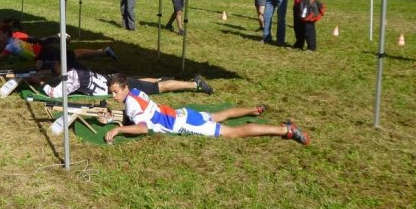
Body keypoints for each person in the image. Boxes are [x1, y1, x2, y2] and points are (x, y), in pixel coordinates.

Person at [101, 75, 310, 145]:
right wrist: (114, 117)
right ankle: (255, 109)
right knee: (220, 114)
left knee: (233, 132)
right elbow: (134, 115)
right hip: (180, 113)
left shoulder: (131, 103)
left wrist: (118, 129)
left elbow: (143, 128)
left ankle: (285, 130)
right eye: (112, 92)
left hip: (183, 123)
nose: (114, 96)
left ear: (125, 88)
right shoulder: (135, 92)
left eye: (116, 92)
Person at [34, 59, 214, 98]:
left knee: (161, 88)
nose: (53, 70)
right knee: (142, 80)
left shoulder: (71, 79)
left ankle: (194, 84)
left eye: (54, 68)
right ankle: (161, 78)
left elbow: (53, 94)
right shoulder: (76, 70)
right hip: (114, 79)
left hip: (118, 85)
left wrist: (40, 81)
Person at [0, 24, 116, 65]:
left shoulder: (10, 45)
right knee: (74, 54)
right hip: (42, 51)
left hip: (44, 54)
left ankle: (103, 51)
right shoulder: (11, 41)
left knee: (74, 55)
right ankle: (102, 51)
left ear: (6, 34)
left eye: (0, 34)